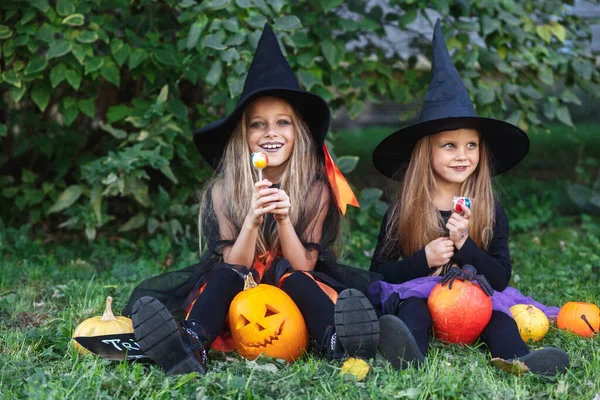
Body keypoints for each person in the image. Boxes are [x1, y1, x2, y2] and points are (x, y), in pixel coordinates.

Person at [125, 24, 380, 375]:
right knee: (223, 276)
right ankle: (190, 344)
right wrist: (252, 221)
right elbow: (235, 262)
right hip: (241, 291)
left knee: (294, 276)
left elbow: (305, 263)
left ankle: (337, 342)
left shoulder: (315, 190)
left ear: (298, 133)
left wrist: (284, 220)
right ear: (243, 136)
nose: (270, 133)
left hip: (294, 290)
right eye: (257, 124)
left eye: (282, 123)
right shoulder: (224, 191)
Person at [367, 19, 570, 376]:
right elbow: (378, 273)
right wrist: (423, 259)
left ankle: (520, 359)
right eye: (449, 145)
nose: (463, 155)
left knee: (498, 316)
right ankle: (409, 351)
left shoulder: (489, 210)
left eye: (471, 145)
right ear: (425, 152)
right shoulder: (404, 210)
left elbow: (502, 276)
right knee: (412, 308)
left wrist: (467, 246)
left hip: (474, 298)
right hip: (423, 297)